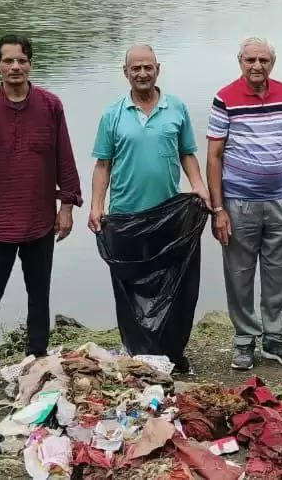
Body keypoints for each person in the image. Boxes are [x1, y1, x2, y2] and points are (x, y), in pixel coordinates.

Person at [0, 34, 83, 388]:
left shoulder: (51, 105)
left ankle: (37, 356)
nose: (15, 67)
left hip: (40, 219)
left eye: (21, 61)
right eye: (8, 61)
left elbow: (64, 158)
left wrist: (67, 205)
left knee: (38, 292)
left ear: (31, 64)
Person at [88, 44, 209, 372]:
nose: (142, 73)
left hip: (168, 215)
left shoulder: (176, 108)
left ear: (158, 69)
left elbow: (187, 153)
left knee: (174, 286)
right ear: (125, 72)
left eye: (148, 67)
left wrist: (198, 186)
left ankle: (172, 351)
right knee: (131, 288)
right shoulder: (113, 114)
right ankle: (138, 350)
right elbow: (103, 165)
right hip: (125, 217)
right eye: (135, 68)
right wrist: (97, 206)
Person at [207, 37, 282, 371]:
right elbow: (214, 156)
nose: (257, 66)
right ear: (240, 61)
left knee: (279, 272)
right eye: (250, 60)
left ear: (273, 62)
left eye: (263, 60)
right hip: (239, 202)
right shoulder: (224, 97)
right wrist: (218, 209)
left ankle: (276, 340)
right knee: (239, 273)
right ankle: (243, 341)